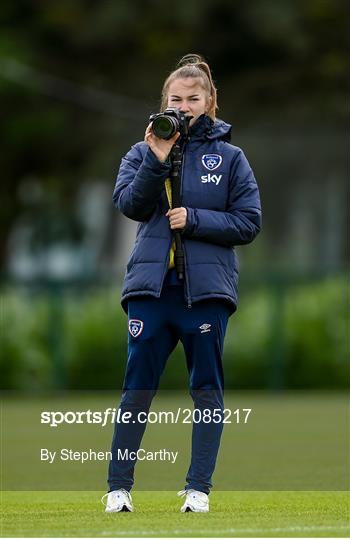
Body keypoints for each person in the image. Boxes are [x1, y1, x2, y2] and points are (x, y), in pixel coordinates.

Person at [102, 54, 261, 513]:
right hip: (150, 293)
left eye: (194, 98)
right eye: (176, 98)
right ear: (163, 102)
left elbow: (248, 222)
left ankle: (198, 490)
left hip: (206, 295)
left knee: (207, 390)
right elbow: (131, 204)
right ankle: (118, 488)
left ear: (210, 102)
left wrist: (194, 220)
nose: (185, 105)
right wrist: (157, 158)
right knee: (137, 388)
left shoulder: (231, 158)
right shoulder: (140, 152)